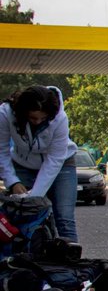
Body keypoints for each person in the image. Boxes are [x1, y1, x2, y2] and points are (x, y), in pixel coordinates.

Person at [0, 85, 80, 241]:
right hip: (23, 164)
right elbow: (1, 150)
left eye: (43, 118)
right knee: (20, 215)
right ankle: (22, 260)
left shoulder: (60, 118)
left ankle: (71, 263)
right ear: (22, 112)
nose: (37, 122)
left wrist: (35, 196)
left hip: (61, 164)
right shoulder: (5, 113)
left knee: (64, 218)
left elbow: (54, 160)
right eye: (32, 118)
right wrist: (12, 181)